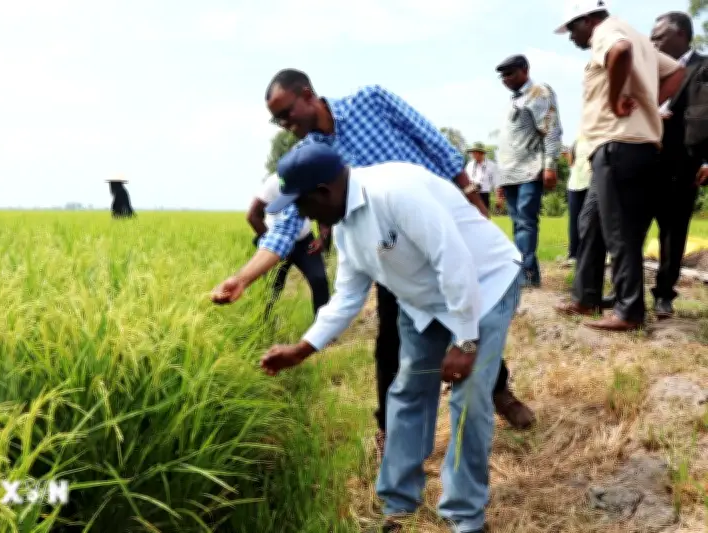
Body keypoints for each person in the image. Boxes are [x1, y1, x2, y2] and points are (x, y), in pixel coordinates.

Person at [210, 69, 534, 461]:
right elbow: (287, 228)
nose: (285, 125)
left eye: (286, 113)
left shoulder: (371, 101)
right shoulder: (309, 161)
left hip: (432, 225)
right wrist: (243, 278)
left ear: (307, 94)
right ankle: (392, 430)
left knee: (470, 316)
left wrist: (470, 193)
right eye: (277, 121)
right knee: (393, 342)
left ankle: (495, 388)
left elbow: (432, 141)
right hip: (383, 249)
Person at [259, 142, 522, 533]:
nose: (301, 214)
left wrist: (466, 341)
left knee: (469, 398)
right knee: (408, 390)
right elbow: (347, 297)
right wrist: (301, 349)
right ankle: (399, 504)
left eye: (301, 203)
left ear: (323, 191)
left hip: (484, 285)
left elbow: (454, 261)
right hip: (424, 302)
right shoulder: (345, 226)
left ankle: (465, 516)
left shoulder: (395, 192)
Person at [553, 0, 686, 331]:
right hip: (615, 147)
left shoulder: (608, 31)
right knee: (591, 225)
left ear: (588, 20)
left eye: (572, 28)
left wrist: (615, 101)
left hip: (620, 144)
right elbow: (676, 71)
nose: (571, 37)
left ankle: (629, 312)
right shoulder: (638, 36)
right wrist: (649, 104)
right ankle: (586, 297)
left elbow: (620, 51)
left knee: (619, 231)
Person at [649, 11, 708, 319]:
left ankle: (664, 294)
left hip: (683, 164)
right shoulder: (648, 68)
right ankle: (625, 290)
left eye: (659, 37)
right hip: (643, 160)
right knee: (630, 229)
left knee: (673, 233)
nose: (653, 43)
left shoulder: (704, 68)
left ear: (681, 35)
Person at [494, 54, 563, 288]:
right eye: (503, 76)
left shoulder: (538, 93)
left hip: (530, 170)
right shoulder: (512, 101)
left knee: (525, 222)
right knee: (517, 223)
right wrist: (500, 179)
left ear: (525, 70)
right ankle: (524, 271)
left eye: (510, 73)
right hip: (511, 173)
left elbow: (551, 129)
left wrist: (550, 166)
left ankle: (528, 275)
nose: (506, 79)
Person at [247, 173, 330, 319]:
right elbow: (253, 215)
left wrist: (322, 239)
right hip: (276, 241)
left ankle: (324, 325)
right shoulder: (273, 182)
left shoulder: (313, 179)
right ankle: (265, 326)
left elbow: (322, 210)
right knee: (271, 287)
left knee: (319, 279)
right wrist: (271, 242)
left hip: (304, 242)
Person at [565, 134, 594, 265]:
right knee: (575, 221)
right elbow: (571, 161)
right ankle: (574, 254)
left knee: (590, 221)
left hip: (591, 185)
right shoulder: (578, 140)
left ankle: (588, 253)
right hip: (575, 184)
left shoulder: (595, 139)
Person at [465, 142, 500, 212]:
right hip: (471, 194)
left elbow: (497, 183)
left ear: (481, 153)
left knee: (484, 216)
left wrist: (498, 199)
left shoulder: (491, 165)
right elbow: (465, 181)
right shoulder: (469, 165)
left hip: (484, 195)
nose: (472, 155)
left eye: (474, 152)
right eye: (472, 153)